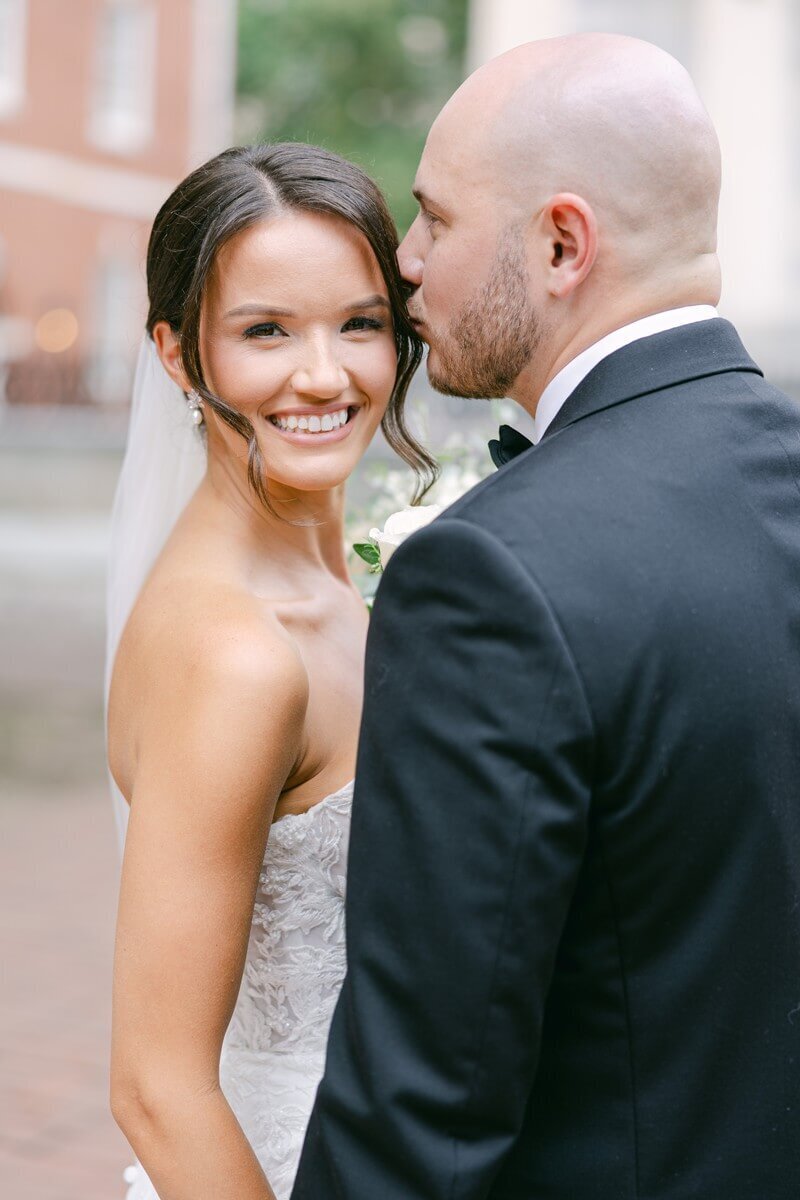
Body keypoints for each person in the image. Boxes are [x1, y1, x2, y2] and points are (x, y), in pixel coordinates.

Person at [292, 33, 800, 1200]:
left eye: (433, 219)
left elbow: (420, 1103)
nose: (404, 262)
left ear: (561, 244)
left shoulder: (492, 574)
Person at [105, 142, 434, 1200]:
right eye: (264, 332)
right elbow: (156, 1087)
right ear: (174, 352)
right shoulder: (234, 655)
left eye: (360, 323)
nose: (325, 375)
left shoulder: (341, 581)